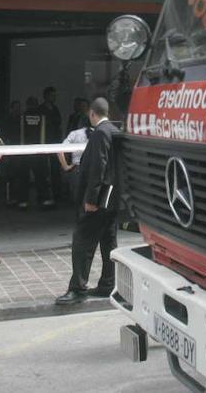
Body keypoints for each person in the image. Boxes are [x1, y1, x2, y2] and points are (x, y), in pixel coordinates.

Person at [55, 97, 119, 305]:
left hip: (99, 200)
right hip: (112, 198)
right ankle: (108, 284)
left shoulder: (100, 133)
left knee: (82, 241)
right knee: (109, 242)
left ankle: (77, 288)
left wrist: (91, 199)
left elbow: (97, 167)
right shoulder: (115, 131)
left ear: (93, 114)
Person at [14, 96, 53, 210]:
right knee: (41, 177)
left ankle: (23, 201)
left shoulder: (22, 117)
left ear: (27, 105)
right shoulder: (43, 117)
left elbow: (16, 134)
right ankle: (44, 200)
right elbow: (49, 133)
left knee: (23, 177)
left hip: (24, 152)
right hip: (40, 152)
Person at [56, 125, 89, 202]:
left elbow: (59, 150)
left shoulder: (75, 133)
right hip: (97, 169)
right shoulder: (102, 132)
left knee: (79, 200)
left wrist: (65, 166)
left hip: (78, 168)